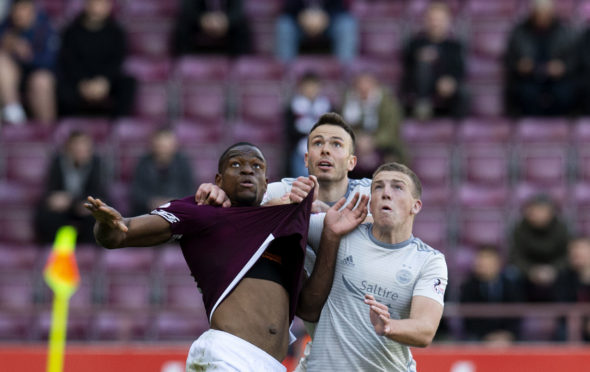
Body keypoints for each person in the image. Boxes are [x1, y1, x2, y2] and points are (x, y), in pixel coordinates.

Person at [86, 142, 363, 371]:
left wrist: (330, 238)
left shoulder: (284, 227)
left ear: (266, 184)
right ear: (218, 179)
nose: (247, 170)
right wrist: (106, 223)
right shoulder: (203, 211)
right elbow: (120, 233)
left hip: (271, 365)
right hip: (228, 356)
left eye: (256, 167)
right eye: (236, 164)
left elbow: (310, 308)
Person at [194, 112, 372, 370]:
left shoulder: (371, 193)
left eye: (336, 144)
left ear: (352, 161)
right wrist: (218, 192)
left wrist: (324, 214)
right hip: (322, 351)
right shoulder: (284, 191)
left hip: (377, 348)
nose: (325, 151)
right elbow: (239, 206)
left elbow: (401, 211)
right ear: (306, 158)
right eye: (318, 143)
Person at [300, 162, 448, 371]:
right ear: (371, 203)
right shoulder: (339, 229)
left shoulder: (429, 260)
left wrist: (388, 326)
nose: (386, 193)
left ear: (416, 206)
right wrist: (297, 204)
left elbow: (425, 329)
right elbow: (278, 225)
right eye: (378, 186)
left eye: (397, 187)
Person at [56, 0, 136, 118]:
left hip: (106, 81)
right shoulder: (71, 31)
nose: (97, 7)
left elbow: (117, 61)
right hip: (79, 81)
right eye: (94, 2)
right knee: (61, 89)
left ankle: (118, 127)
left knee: (128, 83)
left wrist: (104, 81)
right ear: (86, 5)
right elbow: (68, 61)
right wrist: (82, 83)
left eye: (102, 3)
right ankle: (71, 125)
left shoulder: (116, 32)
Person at [504, 0, 576, 116]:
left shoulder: (563, 32)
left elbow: (572, 61)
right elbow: (510, 60)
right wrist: (520, 66)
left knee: (565, 93)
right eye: (539, 14)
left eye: (546, 14)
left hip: (556, 80)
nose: (543, 18)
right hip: (528, 79)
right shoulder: (520, 32)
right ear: (533, 13)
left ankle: (559, 127)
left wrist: (562, 67)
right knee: (525, 93)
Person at [35, 130, 108, 244]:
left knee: (95, 218)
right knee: (47, 215)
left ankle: (88, 252)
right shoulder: (58, 162)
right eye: (77, 148)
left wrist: (76, 201)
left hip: (85, 204)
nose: (81, 152)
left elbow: (99, 191)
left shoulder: (97, 163)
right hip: (64, 206)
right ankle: (55, 250)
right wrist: (55, 199)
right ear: (69, 148)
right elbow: (52, 189)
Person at [400, 1, 467, 119]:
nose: (435, 23)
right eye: (432, 19)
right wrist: (420, 57)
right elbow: (407, 66)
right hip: (421, 92)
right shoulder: (415, 43)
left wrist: (450, 81)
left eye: (440, 20)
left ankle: (458, 129)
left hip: (445, 90)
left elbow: (459, 70)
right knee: (423, 64)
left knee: (465, 94)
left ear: (448, 22)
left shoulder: (455, 46)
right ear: (426, 21)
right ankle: (423, 107)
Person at [0, 0, 58, 125]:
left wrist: (27, 55)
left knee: (41, 81)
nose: (19, 15)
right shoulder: (7, 26)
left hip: (40, 76)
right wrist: (6, 44)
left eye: (24, 10)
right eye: (16, 10)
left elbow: (51, 62)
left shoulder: (45, 27)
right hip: (13, 80)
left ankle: (47, 130)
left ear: (32, 11)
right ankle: (14, 115)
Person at [341, 71, 406, 177]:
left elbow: (391, 130)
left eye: (367, 86)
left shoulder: (387, 102)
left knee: (393, 158)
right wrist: (358, 139)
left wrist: (373, 141)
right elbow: (343, 127)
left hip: (383, 144)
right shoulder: (348, 100)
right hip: (355, 144)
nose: (364, 90)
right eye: (360, 87)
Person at [509, 193, 569, 302]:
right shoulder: (520, 228)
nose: (539, 214)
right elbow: (515, 256)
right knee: (511, 275)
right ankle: (517, 313)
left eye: (543, 210)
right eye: (536, 210)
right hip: (528, 271)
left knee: (570, 275)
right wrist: (530, 271)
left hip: (554, 270)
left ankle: (562, 314)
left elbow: (567, 255)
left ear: (551, 213)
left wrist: (553, 270)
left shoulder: (561, 228)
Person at [459, 245, 524, 344]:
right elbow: (468, 319)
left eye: (487, 260)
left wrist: (506, 334)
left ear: (498, 263)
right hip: (479, 336)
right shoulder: (468, 287)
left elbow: (516, 313)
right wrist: (487, 336)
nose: (482, 263)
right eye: (480, 259)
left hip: (507, 337)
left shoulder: (510, 286)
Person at [130, 127, 195, 215]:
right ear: (153, 145)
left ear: (175, 146)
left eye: (167, 146)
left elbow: (189, 190)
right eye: (161, 146)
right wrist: (151, 202)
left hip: (177, 212)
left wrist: (174, 202)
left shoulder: (183, 163)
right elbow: (136, 192)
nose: (164, 150)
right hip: (148, 212)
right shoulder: (143, 163)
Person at [275, 0, 358, 64]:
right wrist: (301, 16)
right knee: (284, 25)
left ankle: (345, 69)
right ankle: (284, 70)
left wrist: (325, 17)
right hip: (299, 23)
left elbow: (339, 6)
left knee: (347, 24)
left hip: (329, 22)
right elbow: (288, 7)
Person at [285, 71, 332, 177]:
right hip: (300, 148)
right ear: (301, 88)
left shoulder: (328, 107)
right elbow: (290, 132)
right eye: (307, 86)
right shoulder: (293, 107)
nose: (310, 90)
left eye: (314, 86)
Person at [171, 0, 251, 57]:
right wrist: (203, 20)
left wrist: (225, 21)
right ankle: (186, 60)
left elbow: (237, 12)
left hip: (225, 24)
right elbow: (188, 10)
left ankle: (240, 61)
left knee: (242, 26)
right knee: (183, 25)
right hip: (200, 23)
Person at [556, 237, 590, 341]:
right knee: (563, 332)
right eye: (574, 252)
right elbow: (562, 306)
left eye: (581, 251)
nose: (577, 254)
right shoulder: (564, 277)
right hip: (573, 325)